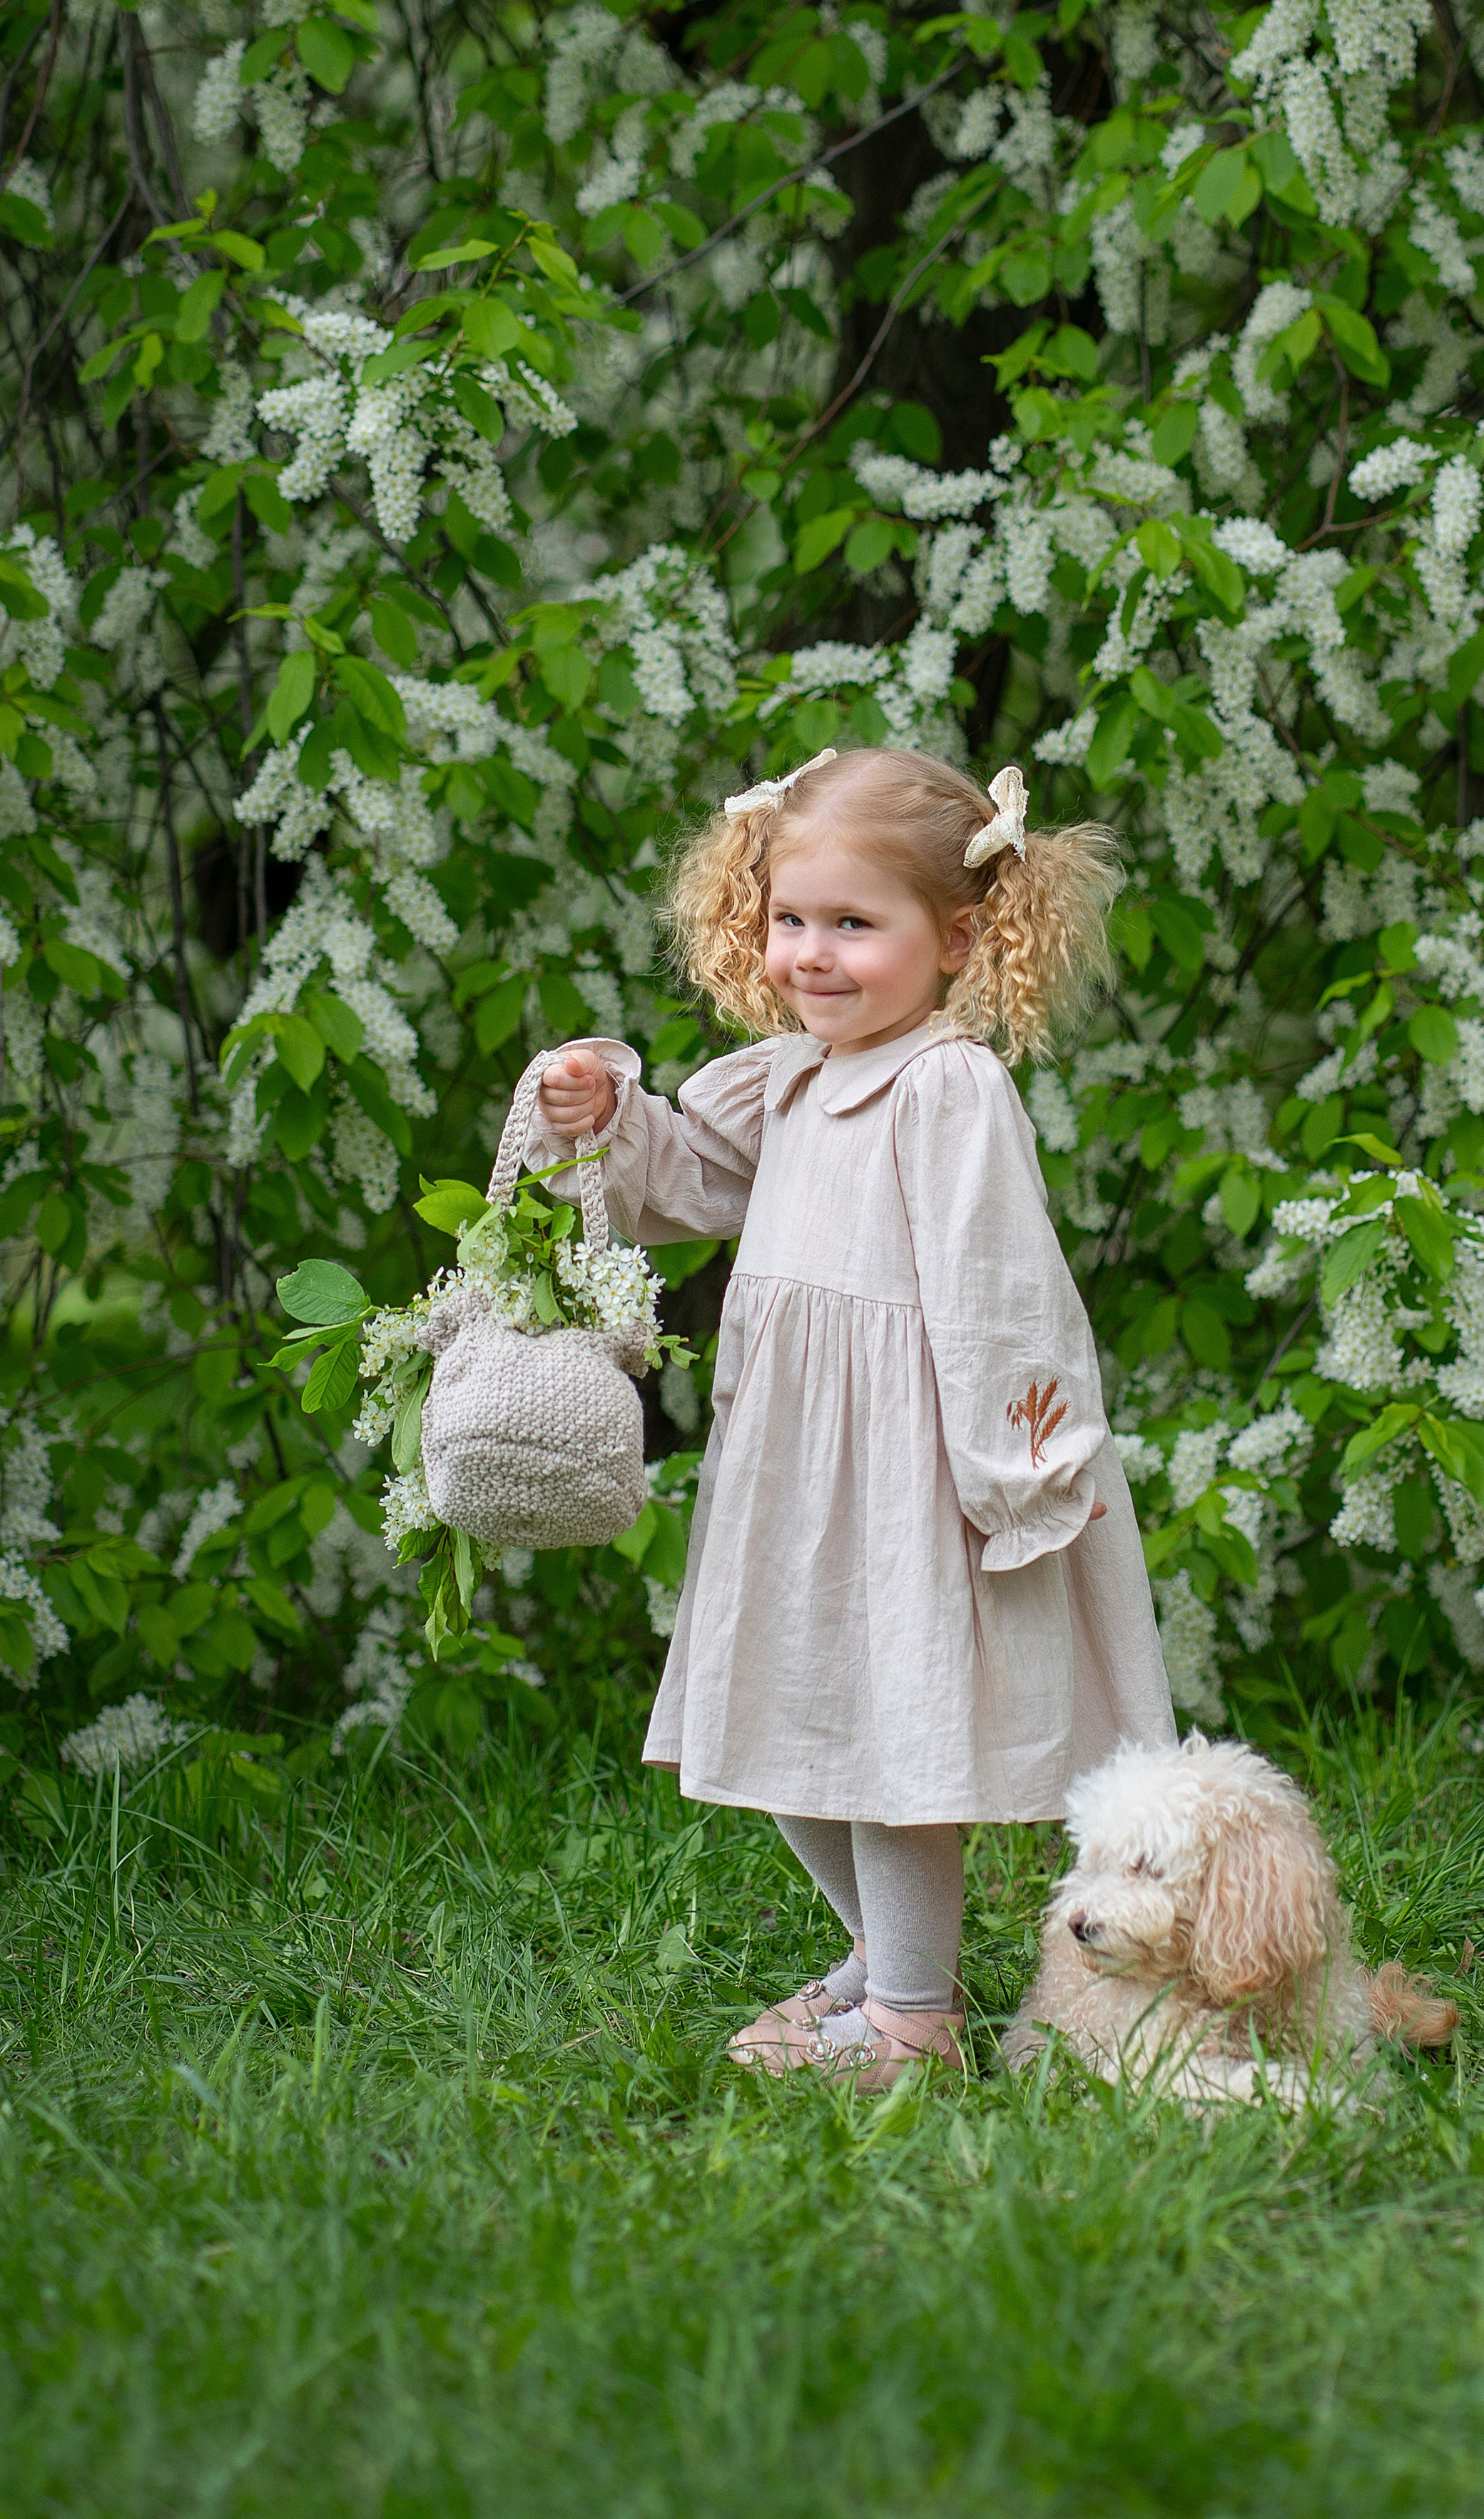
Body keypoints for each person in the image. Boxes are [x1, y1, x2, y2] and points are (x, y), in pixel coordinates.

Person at [531, 746, 1175, 2087]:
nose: (813, 955)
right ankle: (885, 1962)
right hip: (791, 1469)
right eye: (789, 919)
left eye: (854, 924)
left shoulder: (945, 1088)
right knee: (787, 1719)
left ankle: (911, 2020)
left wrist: (1017, 1470)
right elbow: (687, 1182)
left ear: (958, 939)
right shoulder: (791, 1076)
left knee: (889, 1742)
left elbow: (1002, 1291)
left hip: (907, 1472)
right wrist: (609, 1114)